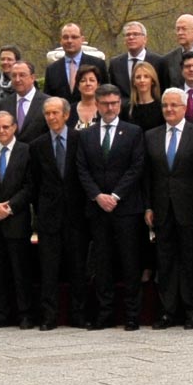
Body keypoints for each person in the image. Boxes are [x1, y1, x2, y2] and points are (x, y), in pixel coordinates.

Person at [77, 85, 147, 330]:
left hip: (126, 208)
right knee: (102, 263)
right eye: (105, 103)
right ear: (96, 104)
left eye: (114, 103)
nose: (110, 107)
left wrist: (115, 195)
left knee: (130, 263)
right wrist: (97, 196)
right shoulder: (86, 135)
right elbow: (82, 170)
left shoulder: (133, 132)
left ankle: (132, 315)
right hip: (98, 209)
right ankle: (104, 314)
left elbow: (137, 167)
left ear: (120, 104)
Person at [144, 88, 193, 329]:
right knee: (166, 261)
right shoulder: (151, 136)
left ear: (184, 108)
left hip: (191, 209)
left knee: (190, 260)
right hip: (162, 208)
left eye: (174, 105)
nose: (169, 110)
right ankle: (168, 312)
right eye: (165, 106)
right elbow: (147, 176)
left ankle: (192, 311)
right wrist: (148, 206)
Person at [29, 98, 88, 330]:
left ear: (66, 114)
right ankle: (49, 316)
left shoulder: (80, 139)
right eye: (48, 114)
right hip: (49, 216)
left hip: (76, 215)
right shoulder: (37, 145)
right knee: (49, 269)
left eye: (56, 113)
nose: (51, 117)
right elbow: (34, 182)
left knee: (78, 268)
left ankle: (79, 315)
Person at [0, 110, 36, 329]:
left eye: (5, 127)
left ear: (14, 127)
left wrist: (10, 207)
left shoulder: (26, 151)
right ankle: (0, 315)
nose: (1, 131)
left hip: (16, 221)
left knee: (20, 272)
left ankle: (25, 315)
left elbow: (30, 185)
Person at [45, 23, 106, 101]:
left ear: (82, 40)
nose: (69, 41)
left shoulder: (98, 64)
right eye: (65, 37)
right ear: (61, 40)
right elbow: (48, 99)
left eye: (74, 37)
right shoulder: (52, 69)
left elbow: (105, 94)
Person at [0, 60, 49, 141]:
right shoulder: (4, 104)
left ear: (32, 78)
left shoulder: (47, 102)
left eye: (22, 75)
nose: (17, 79)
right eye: (14, 75)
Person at [109, 20, 160, 94]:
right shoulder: (115, 63)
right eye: (128, 35)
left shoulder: (158, 61)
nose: (131, 37)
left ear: (145, 39)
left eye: (135, 34)